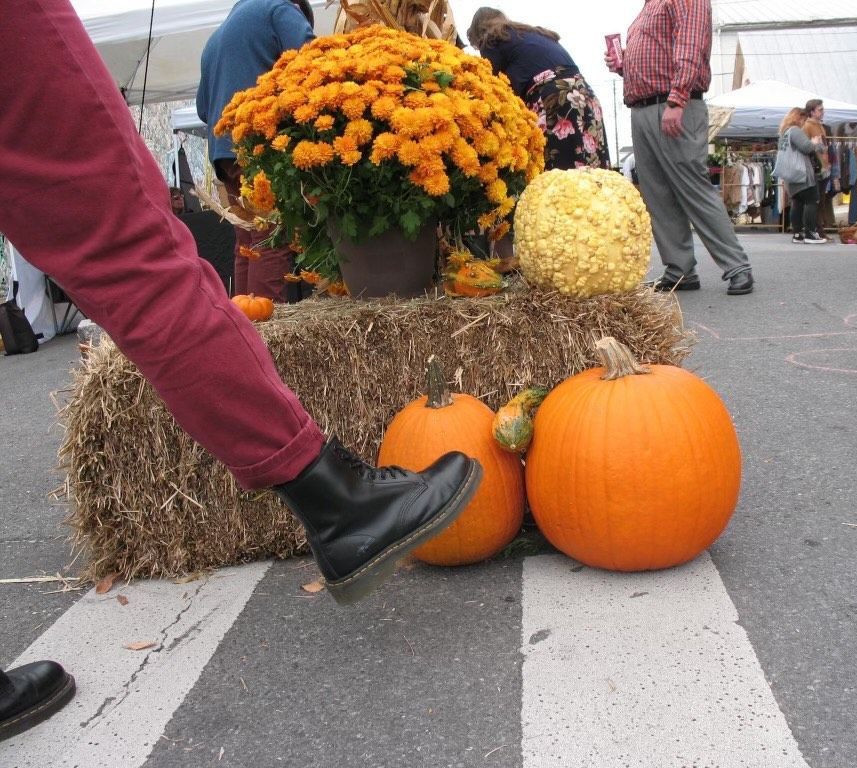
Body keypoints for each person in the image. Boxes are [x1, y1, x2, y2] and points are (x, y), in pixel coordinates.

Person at [0, 0, 482, 741]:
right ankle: (334, 498)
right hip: (286, 126)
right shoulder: (277, 15)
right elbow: (309, 60)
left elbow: (201, 101)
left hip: (231, 135)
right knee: (129, 246)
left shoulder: (230, 28)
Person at [605, 0, 754, 295]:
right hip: (644, 106)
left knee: (692, 185)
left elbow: (691, 46)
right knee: (657, 193)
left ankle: (737, 266)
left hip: (673, 104)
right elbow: (660, 54)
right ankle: (679, 269)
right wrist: (624, 66)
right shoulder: (649, 6)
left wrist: (677, 99)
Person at [196, 0, 316, 302]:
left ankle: (249, 324)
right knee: (271, 236)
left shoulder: (216, 38)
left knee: (248, 239)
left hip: (224, 152)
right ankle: (268, 331)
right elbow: (312, 61)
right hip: (256, 146)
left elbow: (202, 108)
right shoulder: (279, 9)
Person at [467, 8, 610, 170]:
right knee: (592, 172)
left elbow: (493, 91)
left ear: (479, 33)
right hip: (584, 95)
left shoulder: (492, 39)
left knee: (558, 173)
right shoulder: (530, 34)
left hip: (555, 99)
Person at [778, 108, 827, 245]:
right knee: (811, 200)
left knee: (797, 202)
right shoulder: (794, 131)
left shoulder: (784, 133)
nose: (804, 123)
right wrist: (815, 143)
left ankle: (798, 234)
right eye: (804, 120)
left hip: (791, 174)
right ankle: (810, 233)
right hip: (802, 174)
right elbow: (806, 147)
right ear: (798, 118)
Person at [802, 98, 834, 239]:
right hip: (815, 168)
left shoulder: (820, 126)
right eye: (820, 109)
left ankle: (819, 230)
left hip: (823, 167)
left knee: (821, 200)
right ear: (812, 112)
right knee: (815, 200)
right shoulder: (807, 126)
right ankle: (814, 230)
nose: (823, 112)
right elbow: (804, 146)